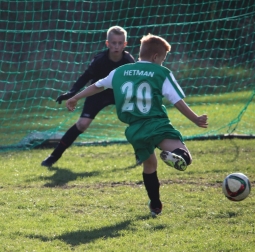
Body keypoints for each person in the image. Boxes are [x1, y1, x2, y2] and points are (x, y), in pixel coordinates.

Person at [66, 34, 208, 217]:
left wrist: (76, 97)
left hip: (134, 130)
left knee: (149, 166)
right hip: (157, 124)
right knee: (185, 157)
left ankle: (155, 205)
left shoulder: (121, 71)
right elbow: (177, 101)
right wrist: (195, 119)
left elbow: (98, 86)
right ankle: (172, 155)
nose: (163, 64)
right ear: (156, 57)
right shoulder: (161, 73)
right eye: (163, 60)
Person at [41, 26, 137, 167]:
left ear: (125, 44)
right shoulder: (100, 59)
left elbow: (135, 81)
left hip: (118, 94)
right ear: (107, 43)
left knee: (135, 121)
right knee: (82, 124)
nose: (116, 46)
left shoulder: (128, 61)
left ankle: (140, 155)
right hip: (97, 93)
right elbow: (86, 76)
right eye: (113, 43)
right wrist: (72, 92)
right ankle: (53, 156)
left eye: (120, 43)